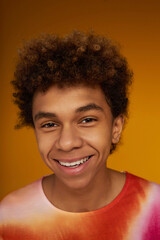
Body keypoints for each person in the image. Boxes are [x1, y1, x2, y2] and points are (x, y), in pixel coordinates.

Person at [0, 31, 160, 240]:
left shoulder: (154, 207)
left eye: (87, 120)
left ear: (116, 127)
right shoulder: (10, 219)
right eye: (49, 124)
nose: (67, 143)